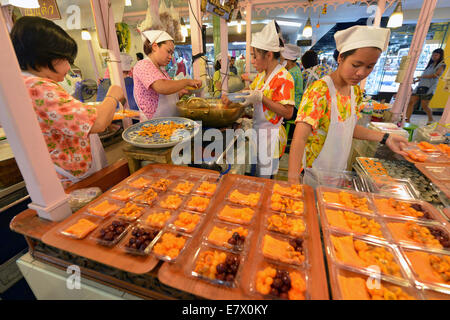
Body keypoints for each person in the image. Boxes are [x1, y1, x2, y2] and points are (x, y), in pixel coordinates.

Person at [10, 16, 126, 188]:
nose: (68, 68)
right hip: (71, 180)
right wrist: (112, 95)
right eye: (65, 60)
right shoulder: (38, 88)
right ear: (43, 57)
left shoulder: (23, 83)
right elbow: (99, 123)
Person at [288, 25, 409, 186]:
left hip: (337, 171)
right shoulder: (320, 90)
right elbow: (300, 138)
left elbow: (349, 127)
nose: (361, 73)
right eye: (356, 65)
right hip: (313, 174)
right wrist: (292, 178)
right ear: (341, 58)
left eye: (369, 66)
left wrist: (385, 138)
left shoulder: (355, 92)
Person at [224, 20, 295, 178]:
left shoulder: (284, 77)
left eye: (255, 56)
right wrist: (232, 97)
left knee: (266, 180)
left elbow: (288, 112)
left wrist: (262, 98)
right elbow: (249, 90)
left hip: (272, 137)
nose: (252, 61)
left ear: (269, 55)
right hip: (259, 134)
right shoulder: (263, 75)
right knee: (257, 174)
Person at [133, 30, 201, 121]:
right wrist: (186, 81)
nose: (170, 57)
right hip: (154, 126)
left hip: (168, 123)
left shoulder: (161, 70)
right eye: (168, 51)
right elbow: (162, 87)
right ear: (155, 47)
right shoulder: (143, 65)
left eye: (172, 53)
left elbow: (165, 95)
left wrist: (180, 93)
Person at [405, 48, 446, 124]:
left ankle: (430, 119)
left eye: (436, 55)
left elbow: (436, 75)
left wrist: (421, 77)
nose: (434, 56)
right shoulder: (430, 65)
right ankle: (407, 119)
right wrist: (416, 80)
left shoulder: (442, 65)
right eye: (433, 55)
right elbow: (424, 76)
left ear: (440, 56)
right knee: (411, 102)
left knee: (424, 106)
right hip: (420, 87)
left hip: (429, 88)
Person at [281, 44, 303, 119]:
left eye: (283, 59)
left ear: (289, 60)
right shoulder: (296, 69)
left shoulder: (291, 73)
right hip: (297, 105)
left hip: (294, 108)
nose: (281, 62)